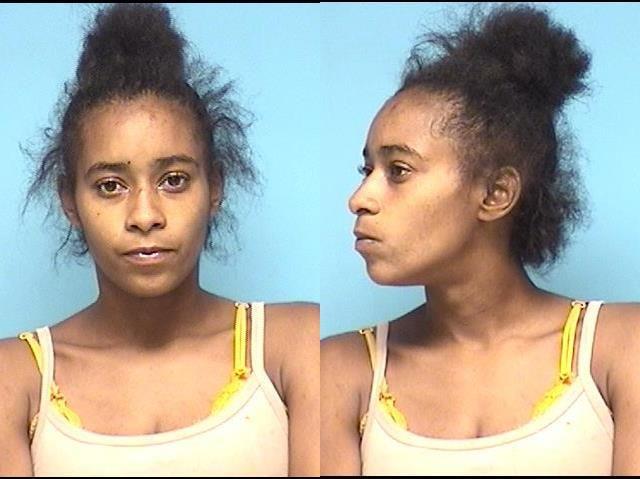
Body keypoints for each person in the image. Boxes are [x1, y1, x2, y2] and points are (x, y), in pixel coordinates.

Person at [0, 3, 318, 476]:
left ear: (215, 187)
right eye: (110, 185)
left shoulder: (294, 345)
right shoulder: (16, 378)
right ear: (70, 201)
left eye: (173, 180)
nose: (145, 216)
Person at [321, 3, 640, 475]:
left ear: (495, 194)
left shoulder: (623, 347)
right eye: (367, 170)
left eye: (399, 170)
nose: (359, 199)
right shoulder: (341, 371)